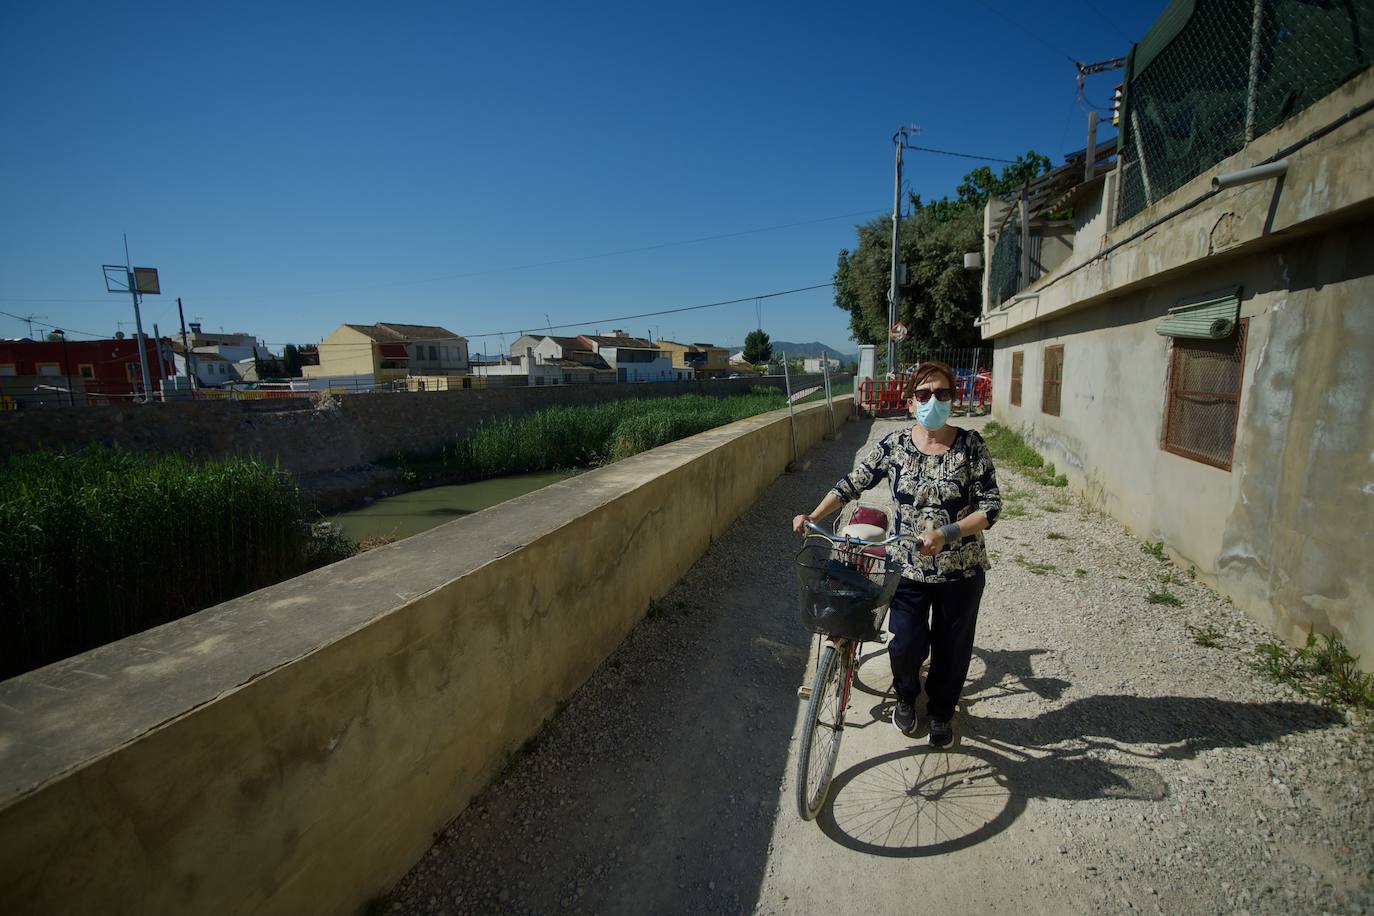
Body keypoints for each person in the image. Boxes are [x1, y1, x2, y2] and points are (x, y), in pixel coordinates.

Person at [792, 360, 1001, 747]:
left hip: (962, 571)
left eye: (942, 393)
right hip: (907, 569)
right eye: (924, 394)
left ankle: (940, 712)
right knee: (904, 643)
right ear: (910, 403)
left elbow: (990, 507)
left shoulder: (971, 446)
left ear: (953, 399)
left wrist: (947, 532)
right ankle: (905, 697)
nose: (933, 401)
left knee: (951, 649)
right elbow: (852, 483)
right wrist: (813, 515)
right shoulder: (895, 446)